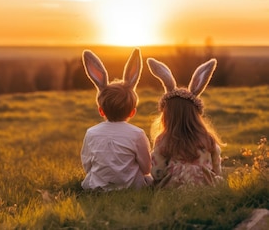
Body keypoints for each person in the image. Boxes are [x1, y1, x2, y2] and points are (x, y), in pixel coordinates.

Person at [80, 48, 153, 191]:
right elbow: (146, 168)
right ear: (132, 112)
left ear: (101, 110)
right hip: (132, 187)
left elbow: (87, 166)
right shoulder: (137, 134)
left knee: (88, 179)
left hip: (98, 187)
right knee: (149, 179)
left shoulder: (91, 132)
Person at [147, 57, 223, 188]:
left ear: (166, 115)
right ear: (195, 115)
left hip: (172, 190)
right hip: (206, 187)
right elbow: (217, 170)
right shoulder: (208, 139)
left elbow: (157, 173)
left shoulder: (164, 140)